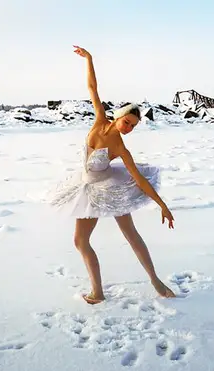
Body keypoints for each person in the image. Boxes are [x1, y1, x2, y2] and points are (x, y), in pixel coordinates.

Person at [47, 45, 176, 304]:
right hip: (86, 186)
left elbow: (138, 179)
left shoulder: (120, 148)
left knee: (129, 234)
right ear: (117, 118)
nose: (129, 128)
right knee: (80, 241)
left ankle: (154, 280)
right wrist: (89, 59)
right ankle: (99, 291)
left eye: (133, 126)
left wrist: (162, 205)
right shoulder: (98, 121)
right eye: (127, 122)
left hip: (109, 188)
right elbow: (93, 89)